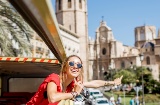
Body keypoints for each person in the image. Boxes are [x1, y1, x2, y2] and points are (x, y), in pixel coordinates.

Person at [26, 55, 123, 105]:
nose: (75, 67)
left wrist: (113, 82)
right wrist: (74, 93)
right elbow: (52, 98)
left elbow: (94, 83)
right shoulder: (54, 78)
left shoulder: (72, 84)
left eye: (79, 65)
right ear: (65, 67)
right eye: (72, 64)